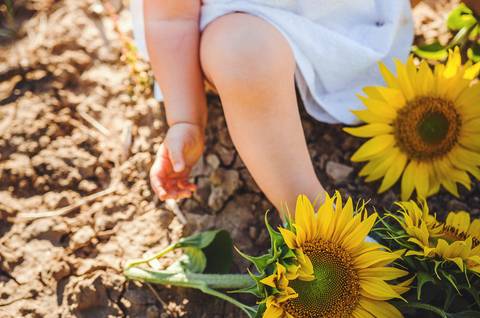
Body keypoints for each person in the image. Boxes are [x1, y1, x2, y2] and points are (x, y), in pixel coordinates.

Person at [131, 0, 480, 214]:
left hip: (356, 9)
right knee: (242, 53)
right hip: (251, 21)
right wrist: (186, 118)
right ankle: (309, 213)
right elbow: (170, 18)